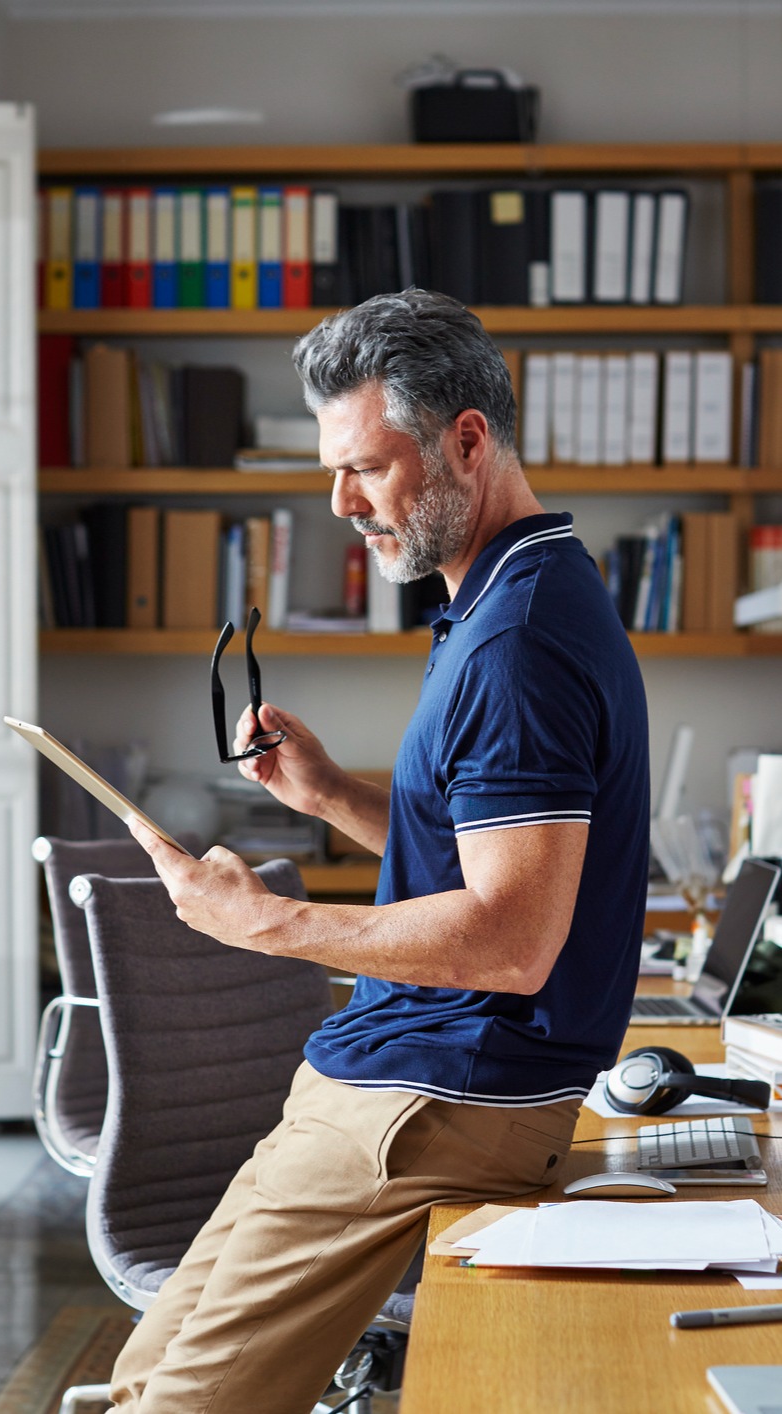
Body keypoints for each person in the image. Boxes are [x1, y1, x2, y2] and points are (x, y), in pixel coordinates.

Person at [111, 288, 651, 1414]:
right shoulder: (499, 592)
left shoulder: (516, 642)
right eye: (329, 468)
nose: (339, 502)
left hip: (438, 1091)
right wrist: (330, 797)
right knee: (140, 1375)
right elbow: (480, 855)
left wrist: (263, 921)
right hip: (390, 1070)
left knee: (182, 1406)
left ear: (465, 439)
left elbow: (507, 940)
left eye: (365, 466)